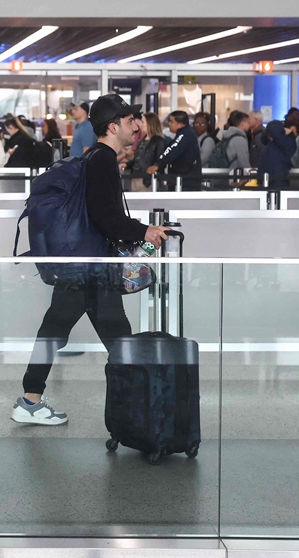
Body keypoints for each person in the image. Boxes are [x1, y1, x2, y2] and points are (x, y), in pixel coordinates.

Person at [13, 94, 171, 426]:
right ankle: (139, 412)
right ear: (113, 126)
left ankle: (31, 399)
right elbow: (105, 217)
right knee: (116, 339)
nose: (136, 125)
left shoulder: (97, 157)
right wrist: (146, 231)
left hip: (82, 266)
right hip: (92, 269)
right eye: (130, 121)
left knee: (60, 331)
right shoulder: (101, 161)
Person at [155, 111, 201, 191]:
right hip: (183, 180)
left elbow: (172, 150)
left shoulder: (186, 135)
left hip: (186, 182)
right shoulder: (185, 134)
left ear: (180, 124)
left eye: (172, 121)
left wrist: (159, 164)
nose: (169, 124)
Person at [256, 119, 297, 189]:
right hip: (278, 179)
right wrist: (290, 133)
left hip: (267, 179)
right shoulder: (282, 145)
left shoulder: (269, 146)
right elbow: (291, 147)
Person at [129, 112, 165, 191]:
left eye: (143, 122)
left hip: (148, 180)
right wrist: (127, 164)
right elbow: (137, 159)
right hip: (136, 177)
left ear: (150, 124)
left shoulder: (158, 141)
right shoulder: (141, 140)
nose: (140, 124)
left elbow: (160, 161)